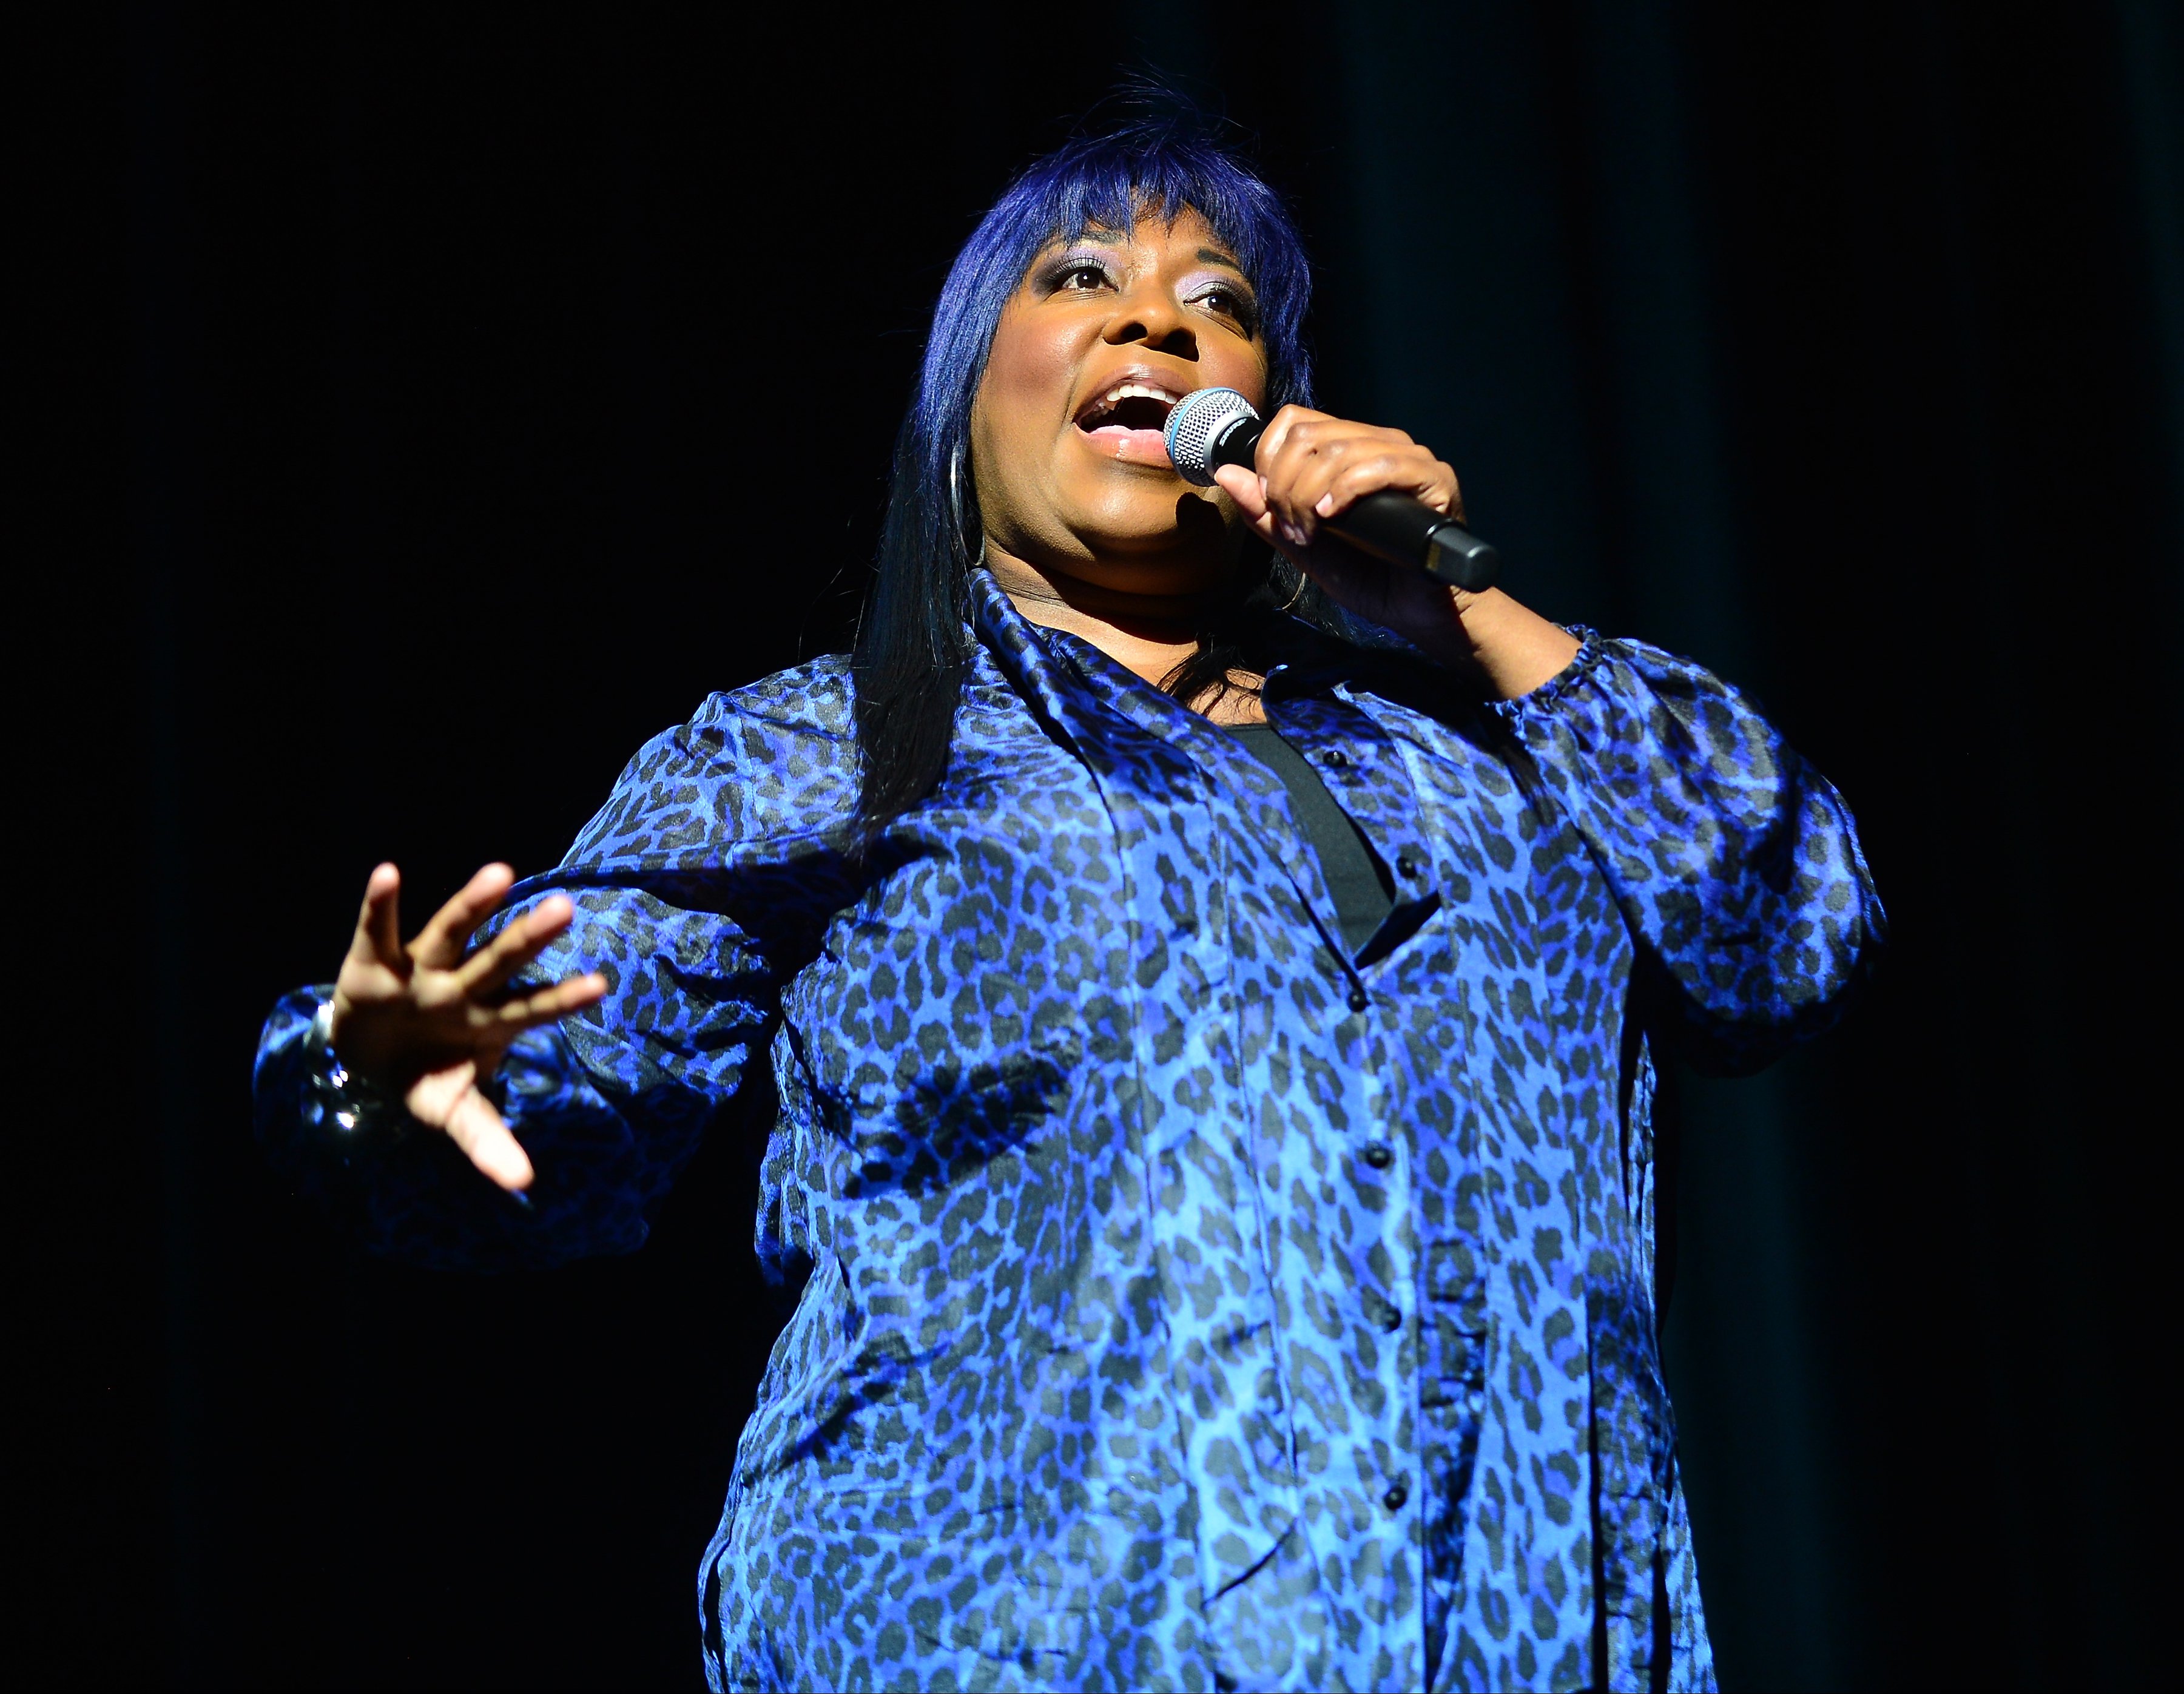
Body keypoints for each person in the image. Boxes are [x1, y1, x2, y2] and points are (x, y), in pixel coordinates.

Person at [254, 113, 1882, 1693]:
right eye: (1081, 278)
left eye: (1219, 302)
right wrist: (391, 1080)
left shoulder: (1489, 780)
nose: (1160, 319)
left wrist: (1460, 616)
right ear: (964, 411)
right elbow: (566, 1062)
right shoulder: (844, 744)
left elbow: (1788, 923)